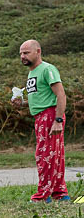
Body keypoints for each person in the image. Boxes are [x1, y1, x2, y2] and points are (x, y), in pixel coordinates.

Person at [13, 39, 70, 202]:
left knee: (44, 156)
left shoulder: (47, 69)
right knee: (54, 156)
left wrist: (57, 120)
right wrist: (22, 104)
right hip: (40, 117)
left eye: (26, 53)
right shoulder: (32, 72)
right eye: (21, 54)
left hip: (50, 116)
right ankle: (60, 193)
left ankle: (42, 195)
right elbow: (39, 98)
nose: (22, 56)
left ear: (38, 52)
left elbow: (60, 95)